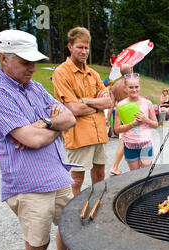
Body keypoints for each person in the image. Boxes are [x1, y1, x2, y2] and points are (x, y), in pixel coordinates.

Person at [0, 30, 77, 250]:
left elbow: (69, 118)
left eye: (33, 61)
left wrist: (45, 125)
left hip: (58, 174)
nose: (32, 68)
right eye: (24, 62)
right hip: (29, 184)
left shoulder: (35, 87)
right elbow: (32, 140)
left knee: (72, 229)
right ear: (3, 58)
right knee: (38, 244)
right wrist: (51, 126)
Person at [52, 27, 112, 196]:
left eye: (86, 47)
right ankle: (73, 212)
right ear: (70, 47)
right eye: (80, 47)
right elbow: (74, 109)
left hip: (99, 133)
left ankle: (96, 205)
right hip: (79, 135)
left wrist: (87, 100)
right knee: (77, 179)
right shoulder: (61, 73)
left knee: (100, 175)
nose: (84, 51)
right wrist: (96, 105)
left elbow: (108, 102)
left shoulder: (93, 74)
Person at [113, 73, 158, 170]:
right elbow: (116, 129)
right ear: (125, 88)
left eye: (136, 87)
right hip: (130, 145)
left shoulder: (147, 103)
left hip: (146, 144)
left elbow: (156, 124)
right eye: (131, 87)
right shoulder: (121, 105)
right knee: (135, 176)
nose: (134, 90)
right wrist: (132, 124)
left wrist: (146, 120)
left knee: (146, 175)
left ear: (140, 87)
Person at [108, 63, 132, 175]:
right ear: (129, 71)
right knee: (125, 141)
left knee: (126, 140)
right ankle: (114, 166)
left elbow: (111, 104)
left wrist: (108, 119)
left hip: (120, 113)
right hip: (130, 113)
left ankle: (116, 166)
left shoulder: (115, 85)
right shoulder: (130, 82)